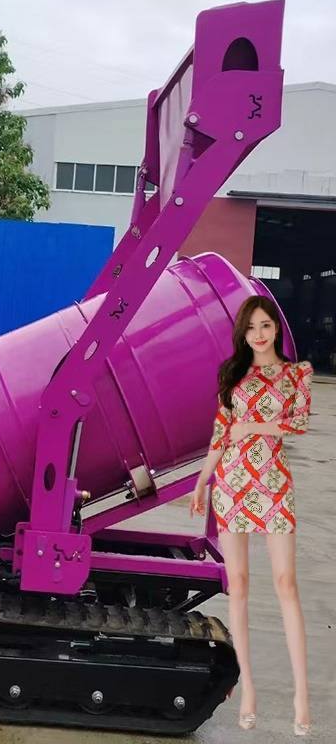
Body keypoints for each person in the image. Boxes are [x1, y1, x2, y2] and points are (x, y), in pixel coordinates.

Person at [189, 295, 314, 736]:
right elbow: (220, 432)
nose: (258, 334)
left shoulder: (296, 374)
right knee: (238, 586)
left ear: (276, 328)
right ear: (242, 334)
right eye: (250, 328)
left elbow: (299, 423)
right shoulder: (232, 373)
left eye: (265, 325)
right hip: (233, 484)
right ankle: (248, 692)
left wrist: (254, 426)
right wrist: (202, 481)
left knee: (286, 584)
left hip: (274, 485)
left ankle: (301, 695)